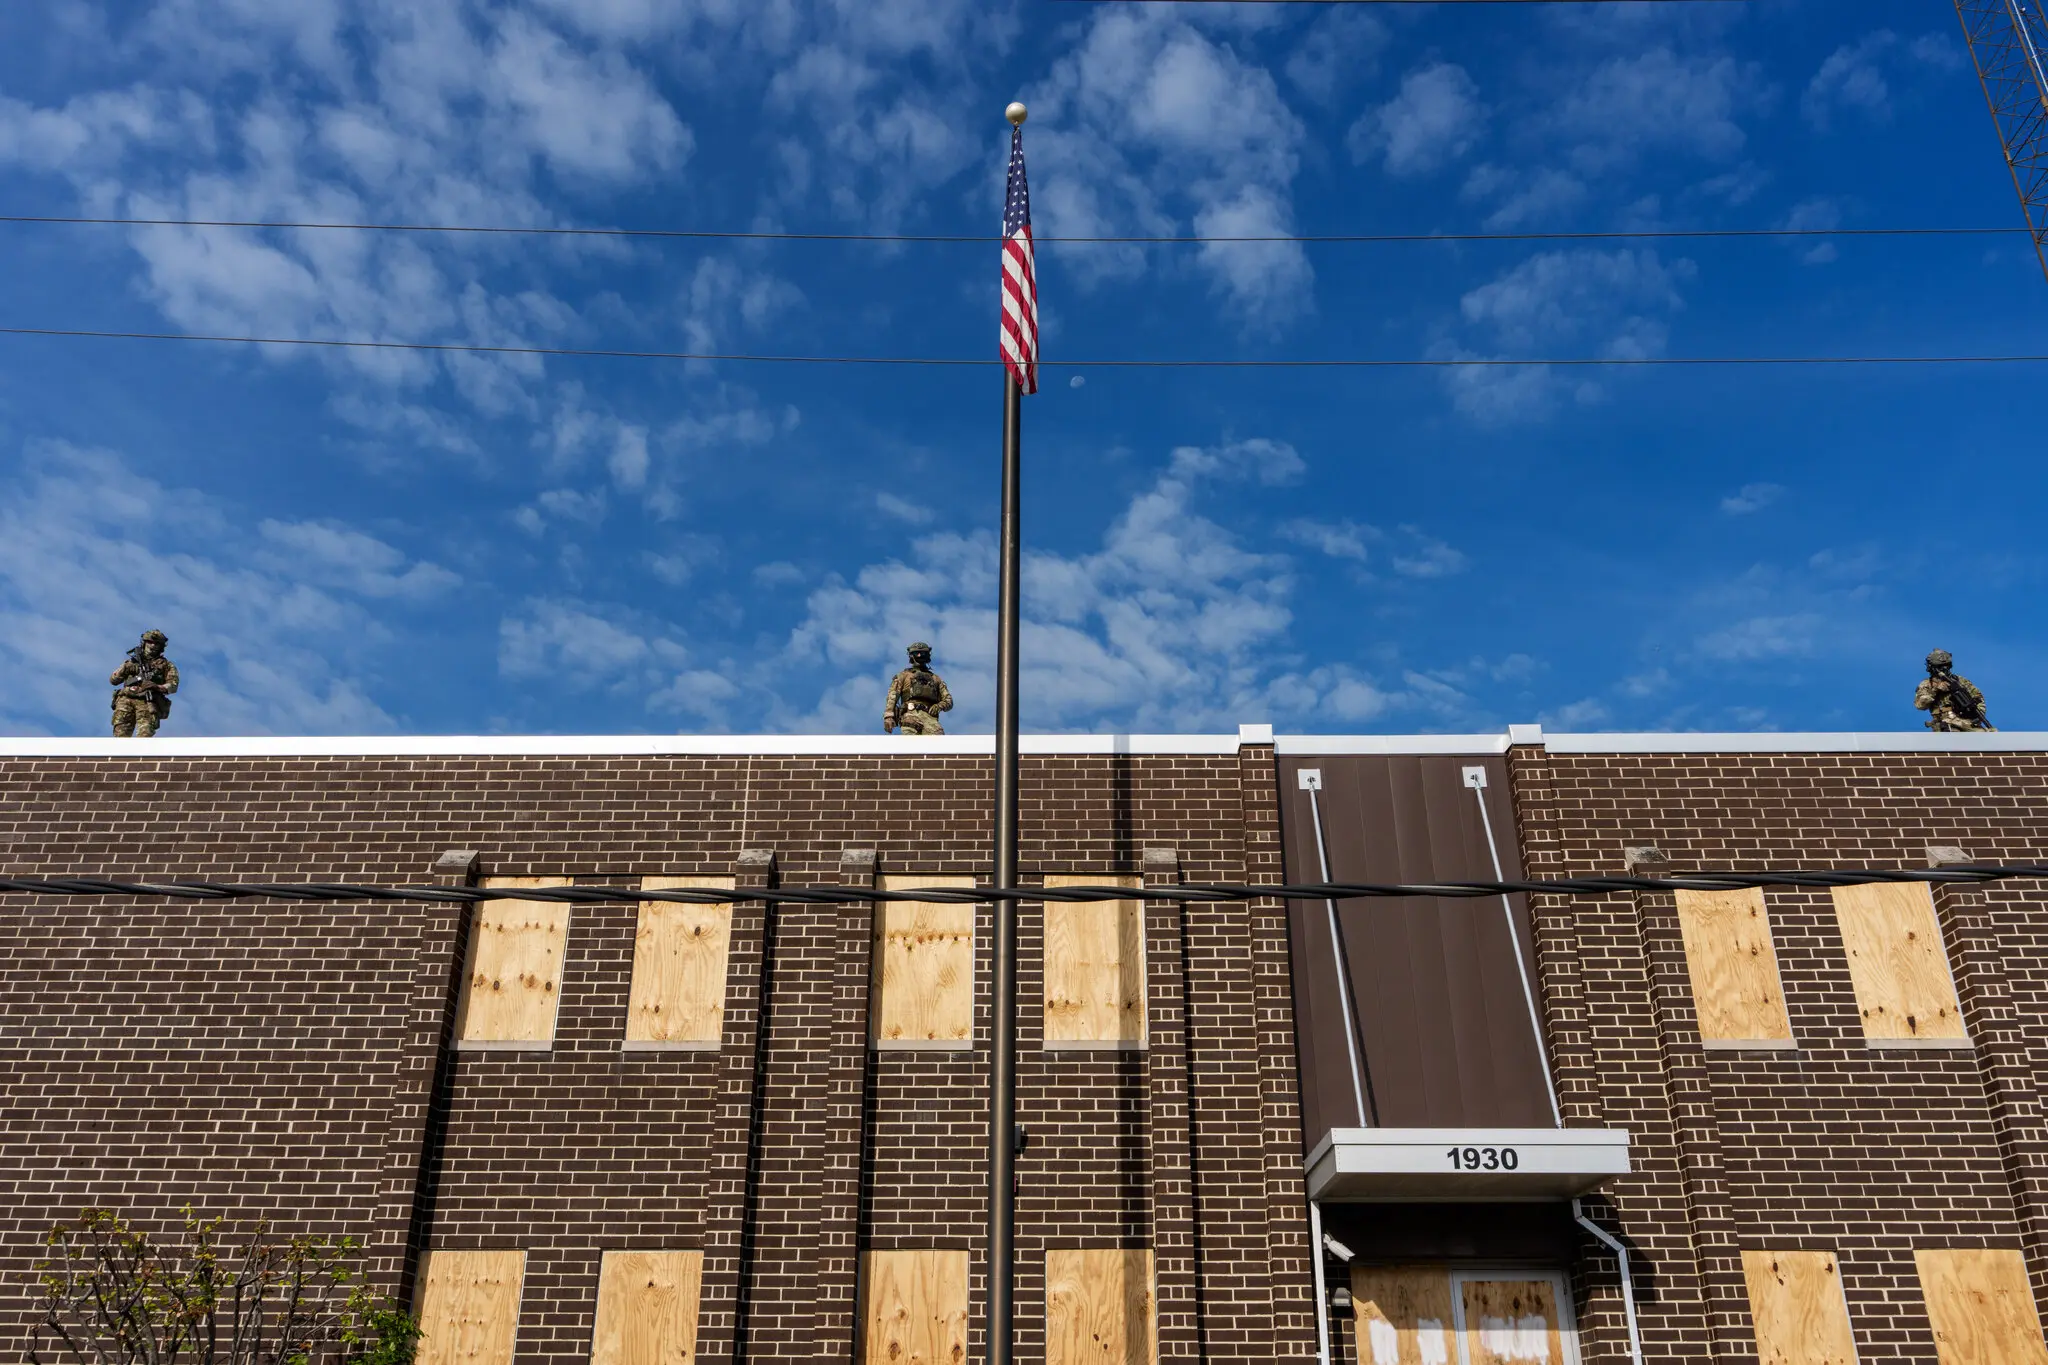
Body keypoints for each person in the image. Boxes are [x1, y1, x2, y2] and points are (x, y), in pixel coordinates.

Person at [110, 630, 179, 738]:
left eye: (156, 644)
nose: (152, 646)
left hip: (148, 701)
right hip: (126, 699)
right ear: (144, 643)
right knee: (120, 736)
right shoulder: (132, 661)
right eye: (150, 642)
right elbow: (113, 680)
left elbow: (173, 686)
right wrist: (126, 667)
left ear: (161, 647)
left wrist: (157, 687)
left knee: (145, 735)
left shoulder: (167, 665)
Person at [1915, 649, 1993, 732]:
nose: (1944, 669)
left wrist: (1976, 713)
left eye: (1946, 665)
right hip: (1945, 722)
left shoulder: (1961, 681)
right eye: (1940, 667)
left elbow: (1978, 698)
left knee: (1985, 735)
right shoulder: (1927, 684)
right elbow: (1920, 705)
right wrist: (1936, 690)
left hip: (1967, 722)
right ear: (1932, 667)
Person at [884, 642, 953, 736]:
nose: (919, 656)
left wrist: (939, 706)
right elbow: (893, 696)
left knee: (938, 745)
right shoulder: (903, 676)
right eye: (917, 653)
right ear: (911, 656)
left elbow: (948, 701)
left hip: (930, 719)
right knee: (911, 747)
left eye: (922, 653)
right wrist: (889, 716)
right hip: (910, 715)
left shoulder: (936, 679)